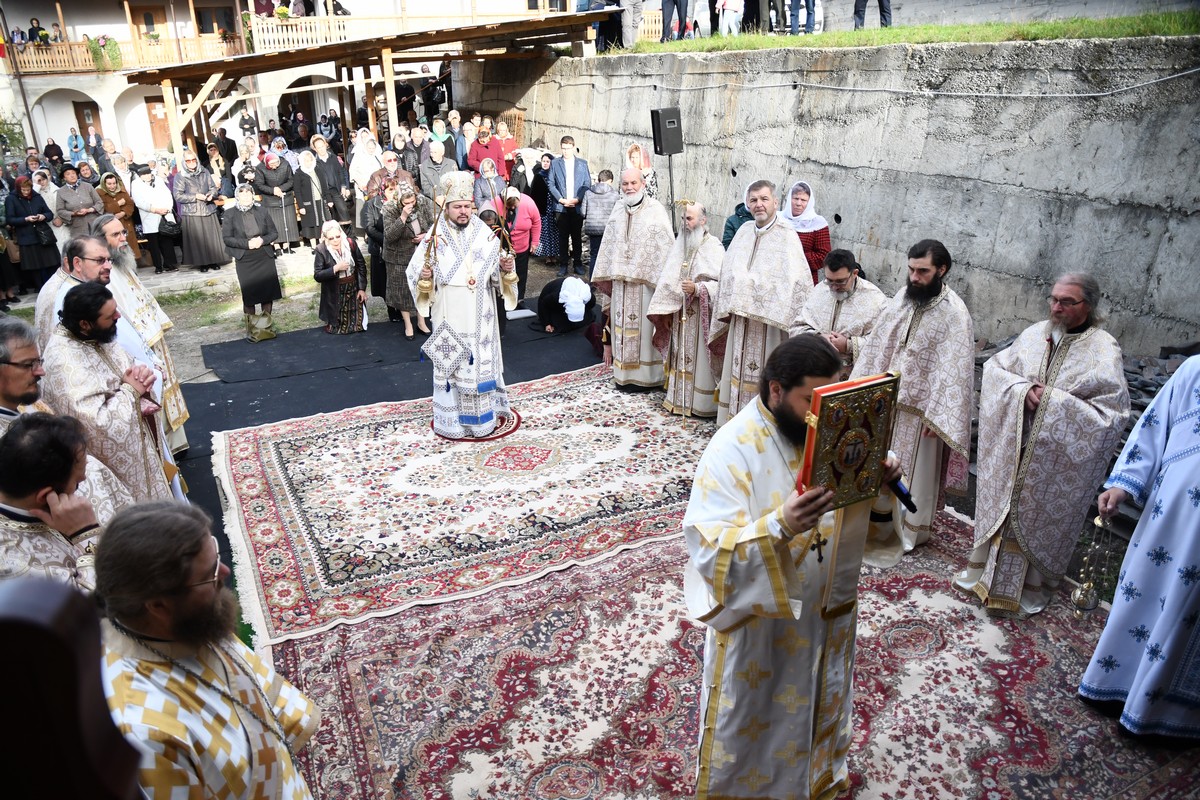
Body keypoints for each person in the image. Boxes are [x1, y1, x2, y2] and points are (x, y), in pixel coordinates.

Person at [685, 334, 903, 800]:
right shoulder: (731, 449)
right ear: (777, 389)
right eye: (812, 400)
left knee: (822, 700)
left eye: (832, 398)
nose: (821, 416)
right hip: (764, 627)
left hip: (827, 611)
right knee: (757, 721)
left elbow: (862, 531)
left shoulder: (821, 434)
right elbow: (707, 551)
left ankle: (818, 781)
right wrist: (779, 525)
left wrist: (877, 484)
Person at [96, 501, 320, 797]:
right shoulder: (142, 730)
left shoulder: (189, 621)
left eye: (216, 557)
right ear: (158, 605)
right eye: (209, 572)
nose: (224, 572)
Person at [954, 274, 1129, 617]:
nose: (1056, 307)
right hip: (1014, 444)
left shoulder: (1103, 349)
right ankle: (986, 576)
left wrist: (1048, 401)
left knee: (1034, 515)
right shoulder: (1036, 333)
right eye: (1053, 299)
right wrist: (1020, 391)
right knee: (1004, 510)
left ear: (1088, 306)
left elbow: (1111, 415)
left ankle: (1028, 589)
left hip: (1054, 461)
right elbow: (995, 369)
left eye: (1067, 302)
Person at [1078, 355, 1200, 741]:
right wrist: (1125, 482)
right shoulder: (1195, 370)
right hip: (1169, 517)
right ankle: (1113, 685)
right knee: (1141, 595)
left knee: (1186, 615)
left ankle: (1160, 715)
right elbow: (1154, 428)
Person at [851, 239, 974, 566]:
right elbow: (879, 344)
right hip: (886, 404)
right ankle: (869, 522)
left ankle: (909, 531)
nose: (915, 277)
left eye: (923, 271)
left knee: (913, 476)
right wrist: (861, 390)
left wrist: (941, 419)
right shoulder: (902, 300)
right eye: (911, 270)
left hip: (923, 416)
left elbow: (956, 370)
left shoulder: (955, 313)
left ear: (941, 270)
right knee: (878, 467)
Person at [40, 282, 177, 503]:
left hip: (140, 445)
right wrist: (132, 392)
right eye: (110, 315)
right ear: (85, 323)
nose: (118, 316)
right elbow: (97, 425)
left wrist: (140, 375)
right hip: (113, 470)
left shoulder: (95, 335)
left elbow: (124, 367)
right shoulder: (63, 362)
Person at [407, 171, 519, 439]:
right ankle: (453, 423)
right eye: (457, 207)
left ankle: (483, 420)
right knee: (453, 368)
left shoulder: (485, 233)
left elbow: (497, 274)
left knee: (479, 366)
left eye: (467, 206)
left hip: (481, 314)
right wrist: (426, 277)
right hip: (450, 314)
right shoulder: (434, 237)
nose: (463, 212)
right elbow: (414, 273)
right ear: (446, 207)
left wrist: (506, 268)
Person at [708, 180, 811, 425]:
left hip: (770, 326)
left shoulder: (787, 235)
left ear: (775, 202)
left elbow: (797, 282)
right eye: (753, 200)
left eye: (764, 199)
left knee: (766, 372)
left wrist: (755, 290)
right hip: (741, 321)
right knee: (737, 369)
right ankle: (732, 420)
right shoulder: (743, 232)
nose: (759, 205)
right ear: (748, 204)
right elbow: (729, 271)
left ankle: (764, 424)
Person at [91, 215, 191, 457]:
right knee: (154, 387)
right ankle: (163, 448)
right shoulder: (105, 273)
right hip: (138, 346)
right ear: (100, 241)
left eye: (123, 233)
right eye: (115, 235)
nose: (123, 238)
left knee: (167, 385)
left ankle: (176, 443)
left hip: (153, 337)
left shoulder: (123, 263)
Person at [0, 413, 102, 591]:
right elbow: (95, 610)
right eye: (77, 483)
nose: (85, 480)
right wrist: (87, 534)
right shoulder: (11, 562)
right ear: (45, 496)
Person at [593, 168, 673, 389]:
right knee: (620, 326)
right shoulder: (618, 209)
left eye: (633, 183)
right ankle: (623, 376)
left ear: (643, 184)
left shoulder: (656, 210)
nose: (629, 187)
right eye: (625, 183)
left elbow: (665, 246)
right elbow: (609, 243)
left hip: (645, 284)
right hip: (621, 284)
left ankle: (649, 377)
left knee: (644, 331)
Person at [647, 201, 723, 417]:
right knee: (680, 355)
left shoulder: (714, 247)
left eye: (689, 218)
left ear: (703, 220)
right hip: (680, 314)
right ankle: (679, 399)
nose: (685, 223)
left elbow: (723, 286)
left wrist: (699, 288)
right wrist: (667, 311)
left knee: (699, 361)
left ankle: (701, 404)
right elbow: (668, 280)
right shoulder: (680, 245)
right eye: (683, 218)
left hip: (701, 317)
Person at [793, 249, 887, 379]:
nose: (834, 287)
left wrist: (848, 345)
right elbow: (796, 327)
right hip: (814, 371)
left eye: (840, 281)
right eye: (829, 280)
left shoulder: (876, 300)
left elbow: (883, 343)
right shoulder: (820, 290)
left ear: (854, 273)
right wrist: (818, 338)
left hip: (852, 378)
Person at [223, 184, 282, 342]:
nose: (246, 197)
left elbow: (274, 233)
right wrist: (247, 244)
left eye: (248, 194)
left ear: (253, 195)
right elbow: (227, 239)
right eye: (242, 195)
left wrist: (262, 240)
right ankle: (252, 329)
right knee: (249, 295)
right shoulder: (230, 214)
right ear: (237, 196)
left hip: (264, 255)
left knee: (267, 293)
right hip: (245, 258)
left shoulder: (261, 210)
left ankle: (265, 327)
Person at [383, 184, 434, 337]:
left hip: (419, 253)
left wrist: (425, 236)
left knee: (421, 287)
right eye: (406, 203)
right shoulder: (389, 208)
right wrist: (403, 217)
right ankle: (408, 325)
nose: (410, 205)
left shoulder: (423, 202)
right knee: (402, 291)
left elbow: (434, 224)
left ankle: (421, 321)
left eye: (412, 201)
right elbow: (390, 235)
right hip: (398, 255)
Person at [172, 151, 227, 273]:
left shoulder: (204, 171)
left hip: (208, 208)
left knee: (211, 237)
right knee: (199, 239)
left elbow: (213, 187)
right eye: (188, 161)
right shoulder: (180, 176)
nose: (192, 163)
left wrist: (210, 195)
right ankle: (203, 263)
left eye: (193, 160)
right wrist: (195, 196)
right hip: (193, 211)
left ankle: (214, 260)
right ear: (184, 162)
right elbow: (178, 196)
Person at [313, 220, 367, 335]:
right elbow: (317, 275)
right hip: (335, 290)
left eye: (337, 236)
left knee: (358, 326)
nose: (335, 240)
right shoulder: (321, 249)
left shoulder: (350, 243)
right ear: (326, 238)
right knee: (336, 328)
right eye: (331, 238)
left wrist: (362, 288)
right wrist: (335, 269)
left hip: (353, 287)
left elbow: (361, 265)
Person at [5, 176, 59, 290]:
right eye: (23, 190)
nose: (26, 192)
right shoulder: (11, 199)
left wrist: (42, 216)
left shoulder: (37, 197)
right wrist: (25, 219)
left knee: (52, 263)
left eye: (28, 189)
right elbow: (10, 219)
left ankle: (54, 287)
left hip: (43, 236)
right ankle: (40, 289)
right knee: (35, 267)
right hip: (27, 237)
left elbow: (49, 213)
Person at [548, 136, 591, 277]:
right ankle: (563, 265)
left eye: (568, 148)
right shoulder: (555, 164)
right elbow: (551, 184)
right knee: (563, 237)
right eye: (563, 148)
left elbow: (586, 184)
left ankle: (577, 263)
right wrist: (561, 200)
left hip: (576, 206)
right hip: (561, 207)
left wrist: (577, 199)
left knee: (577, 236)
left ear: (573, 147)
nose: (566, 151)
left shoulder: (582, 164)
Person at [130, 166, 179, 274]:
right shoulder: (136, 184)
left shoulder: (158, 180)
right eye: (144, 174)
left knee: (166, 241)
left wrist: (167, 208)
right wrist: (155, 210)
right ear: (140, 176)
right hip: (150, 216)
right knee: (154, 244)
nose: (147, 176)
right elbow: (139, 202)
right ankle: (158, 266)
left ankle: (170, 264)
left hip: (164, 215)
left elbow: (168, 195)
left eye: (148, 173)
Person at [780, 179, 830, 284]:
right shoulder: (778, 219)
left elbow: (823, 256)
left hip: (804, 279)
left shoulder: (817, 223)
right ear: (789, 199)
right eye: (795, 198)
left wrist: (794, 257)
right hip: (778, 275)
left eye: (803, 200)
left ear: (809, 202)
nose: (798, 203)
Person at [252, 151, 297, 254]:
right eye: (271, 165)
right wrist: (273, 191)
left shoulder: (285, 164)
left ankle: (286, 245)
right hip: (270, 200)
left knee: (288, 223)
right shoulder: (260, 168)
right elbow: (259, 184)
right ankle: (276, 247)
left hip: (285, 197)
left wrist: (280, 189)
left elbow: (291, 180)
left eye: (276, 164)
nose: (274, 167)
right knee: (274, 224)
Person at [500, 186, 540, 301]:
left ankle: (519, 299)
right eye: (509, 205)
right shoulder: (497, 203)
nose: (512, 208)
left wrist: (534, 242)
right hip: (504, 248)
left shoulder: (528, 203)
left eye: (515, 205)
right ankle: (505, 299)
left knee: (521, 275)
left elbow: (536, 222)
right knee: (505, 274)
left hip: (522, 247)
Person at [580, 169, 618, 278]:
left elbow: (583, 212)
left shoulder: (588, 193)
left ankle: (593, 281)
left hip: (593, 229)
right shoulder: (615, 194)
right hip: (608, 229)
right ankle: (606, 279)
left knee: (594, 255)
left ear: (599, 179)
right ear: (610, 180)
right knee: (608, 255)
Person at [310, 134, 353, 231]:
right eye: (318, 147)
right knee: (331, 214)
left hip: (336, 188)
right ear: (315, 149)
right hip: (324, 191)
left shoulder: (333, 157)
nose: (321, 149)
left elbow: (340, 172)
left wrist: (343, 186)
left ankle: (349, 234)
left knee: (343, 210)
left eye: (322, 146)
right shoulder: (315, 162)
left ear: (326, 145)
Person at [96, 173, 142, 260]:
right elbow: (103, 208)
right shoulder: (99, 192)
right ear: (104, 183)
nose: (112, 186)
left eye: (114, 183)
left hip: (126, 222)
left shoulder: (122, 190)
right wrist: (118, 204)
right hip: (110, 224)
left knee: (130, 249)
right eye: (109, 184)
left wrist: (123, 213)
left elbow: (130, 204)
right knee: (116, 250)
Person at [55, 163, 102, 238]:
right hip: (77, 227)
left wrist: (89, 210)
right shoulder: (61, 192)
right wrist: (73, 213)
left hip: (95, 223)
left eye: (73, 173)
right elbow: (60, 210)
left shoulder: (87, 186)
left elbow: (99, 202)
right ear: (64, 178)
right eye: (68, 174)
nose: (72, 175)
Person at [293, 150, 326, 249]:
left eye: (310, 160)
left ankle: (322, 245)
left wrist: (328, 199)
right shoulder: (299, 173)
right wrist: (301, 206)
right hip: (308, 203)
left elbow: (324, 185)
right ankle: (314, 247)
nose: (309, 162)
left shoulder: (317, 169)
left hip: (319, 201)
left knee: (321, 223)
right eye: (306, 160)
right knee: (311, 225)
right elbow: (297, 191)